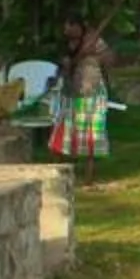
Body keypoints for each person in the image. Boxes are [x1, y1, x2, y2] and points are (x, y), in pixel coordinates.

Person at [49, 25, 113, 176]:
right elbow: (63, 68)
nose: (68, 29)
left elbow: (109, 60)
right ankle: (56, 173)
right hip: (72, 96)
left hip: (94, 94)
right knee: (64, 134)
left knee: (92, 135)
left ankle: (89, 178)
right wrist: (70, 62)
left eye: (71, 25)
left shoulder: (95, 42)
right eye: (66, 26)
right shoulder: (65, 47)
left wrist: (97, 53)